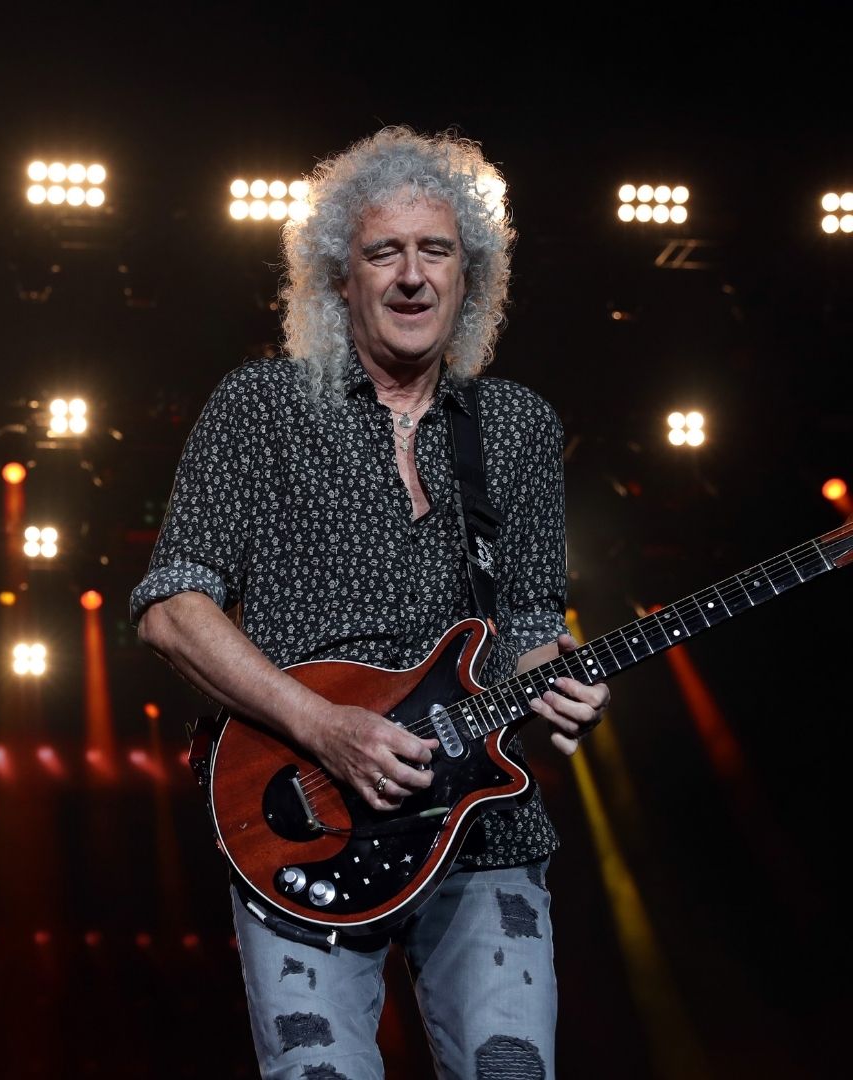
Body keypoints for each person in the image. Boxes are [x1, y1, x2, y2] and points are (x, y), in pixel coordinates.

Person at [132, 127, 608, 1079]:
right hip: (302, 812)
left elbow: (525, 620)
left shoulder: (514, 427)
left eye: (435, 251)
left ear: (469, 276)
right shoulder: (261, 407)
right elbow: (171, 605)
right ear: (336, 277)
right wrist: (325, 726)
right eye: (383, 252)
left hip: (481, 824)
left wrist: (549, 677)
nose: (411, 276)